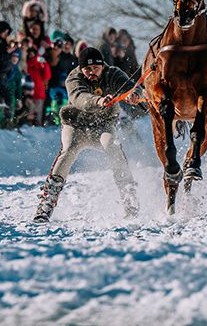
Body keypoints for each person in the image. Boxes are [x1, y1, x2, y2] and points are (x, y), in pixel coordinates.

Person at [33, 47, 141, 223]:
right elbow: (79, 98)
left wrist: (133, 95)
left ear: (102, 66)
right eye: (87, 69)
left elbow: (132, 87)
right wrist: (98, 101)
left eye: (96, 68)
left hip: (103, 125)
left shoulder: (112, 73)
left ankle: (129, 196)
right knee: (68, 151)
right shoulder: (73, 77)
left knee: (112, 146)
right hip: (76, 124)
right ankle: (47, 201)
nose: (92, 73)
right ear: (81, 69)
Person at [25, 46, 51, 126]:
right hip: (29, 91)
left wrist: (45, 64)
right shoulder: (27, 64)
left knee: (38, 112)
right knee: (30, 110)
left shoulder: (39, 64)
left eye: (32, 53)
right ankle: (29, 125)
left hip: (39, 91)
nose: (31, 55)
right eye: (30, 53)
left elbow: (47, 76)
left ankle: (37, 126)